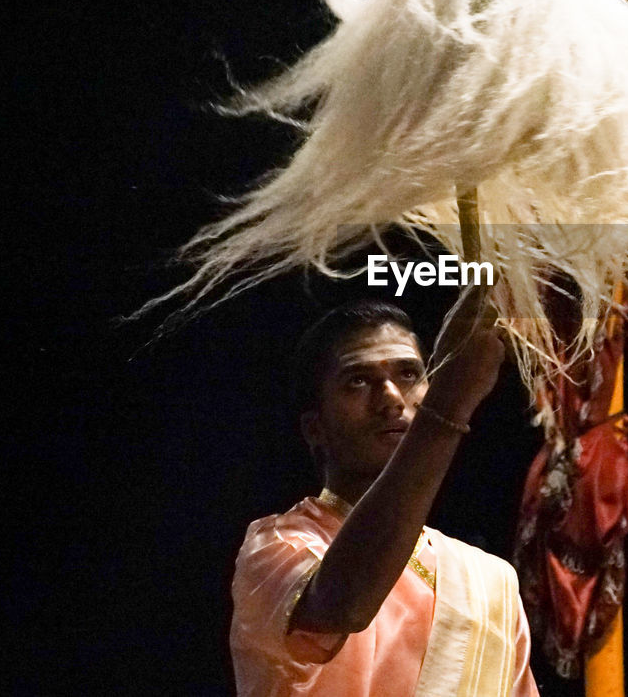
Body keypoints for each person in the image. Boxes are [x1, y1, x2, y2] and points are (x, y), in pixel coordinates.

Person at [229, 291, 539, 696]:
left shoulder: (490, 579)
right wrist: (448, 404)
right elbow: (347, 605)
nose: (392, 398)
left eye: (409, 375)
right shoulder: (274, 547)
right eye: (358, 381)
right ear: (314, 429)